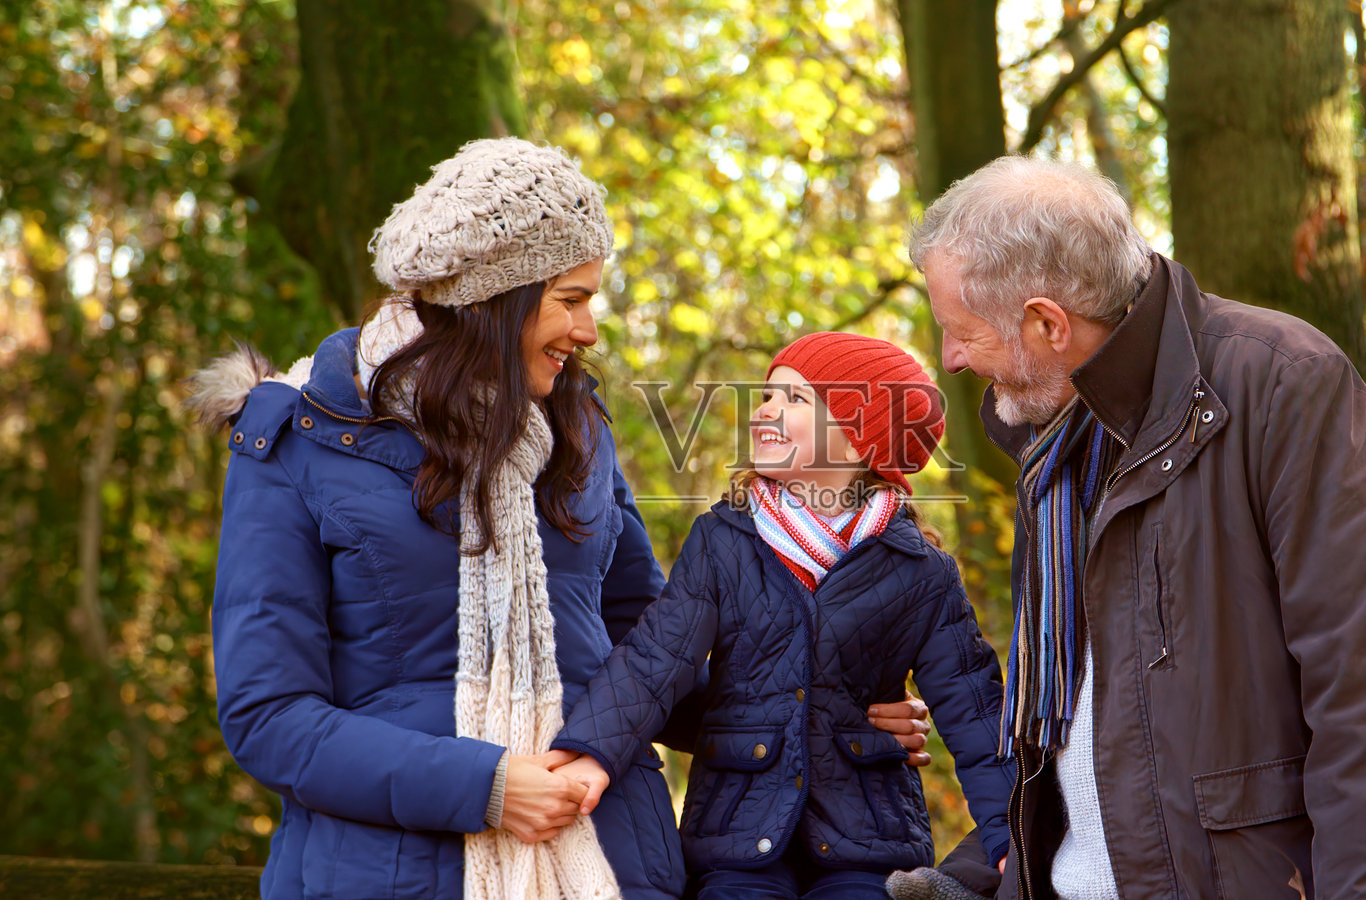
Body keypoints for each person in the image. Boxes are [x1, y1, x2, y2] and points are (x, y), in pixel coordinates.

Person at [190, 138, 930, 900]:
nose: (589, 331)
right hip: (391, 873)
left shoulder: (580, 428)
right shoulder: (296, 440)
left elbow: (654, 654)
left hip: (613, 863)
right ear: (490, 298)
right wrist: (484, 785)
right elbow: (269, 716)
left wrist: (833, 718)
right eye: (570, 300)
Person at [893, 156, 1366, 900]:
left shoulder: (1286, 386)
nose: (950, 358)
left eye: (961, 332)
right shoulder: (1056, 446)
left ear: (1048, 322)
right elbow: (1080, 725)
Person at [545, 332, 1015, 900]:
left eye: (795, 399)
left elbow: (977, 713)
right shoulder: (723, 540)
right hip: (736, 834)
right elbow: (655, 659)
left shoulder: (921, 570)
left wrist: (1007, 836)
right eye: (768, 395)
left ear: (858, 441)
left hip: (868, 838)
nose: (765, 409)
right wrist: (591, 754)